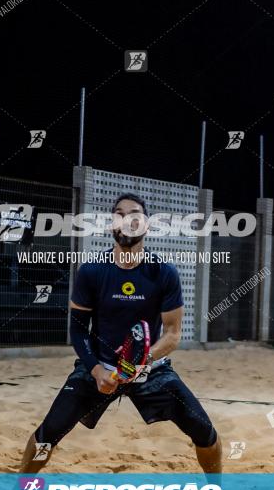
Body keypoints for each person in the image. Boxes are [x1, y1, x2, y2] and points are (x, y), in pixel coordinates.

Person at [17, 193, 222, 475]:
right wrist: (96, 369)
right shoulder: (92, 271)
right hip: (101, 368)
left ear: (147, 225)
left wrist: (142, 361)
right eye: (119, 214)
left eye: (135, 214)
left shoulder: (163, 272)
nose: (126, 220)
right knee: (48, 433)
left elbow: (173, 334)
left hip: (149, 369)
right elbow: (77, 329)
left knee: (203, 429)